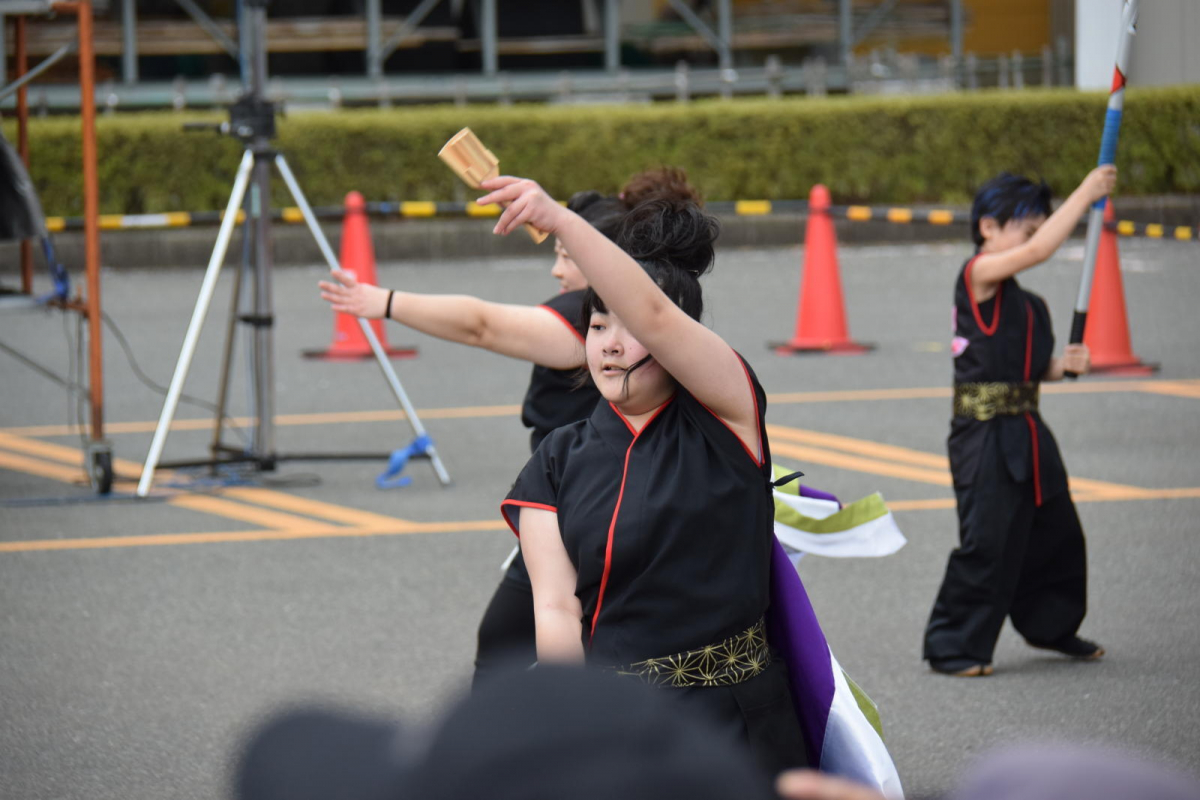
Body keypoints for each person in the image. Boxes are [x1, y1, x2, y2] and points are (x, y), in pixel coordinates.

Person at [318, 171, 703, 685]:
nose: (557, 269)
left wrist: (383, 303)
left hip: (590, 506)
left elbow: (483, 324)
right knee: (542, 634)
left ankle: (524, 740)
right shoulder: (625, 314)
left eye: (567, 253)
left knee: (519, 642)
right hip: (583, 497)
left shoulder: (592, 312)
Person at [484, 175, 807, 774]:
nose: (608, 344)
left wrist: (564, 222)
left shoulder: (725, 415)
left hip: (737, 721)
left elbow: (655, 314)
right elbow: (555, 608)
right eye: (598, 326)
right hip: (623, 727)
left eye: (626, 329)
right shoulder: (557, 457)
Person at [922, 166, 1117, 677]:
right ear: (988, 228)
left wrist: (1062, 367)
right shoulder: (977, 276)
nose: (1035, 237)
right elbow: (1038, 252)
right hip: (982, 433)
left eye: (1038, 226)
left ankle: (1052, 626)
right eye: (1026, 227)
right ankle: (952, 646)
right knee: (988, 540)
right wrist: (1088, 192)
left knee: (1057, 535)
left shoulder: (1029, 305)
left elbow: (1028, 372)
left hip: (1029, 430)